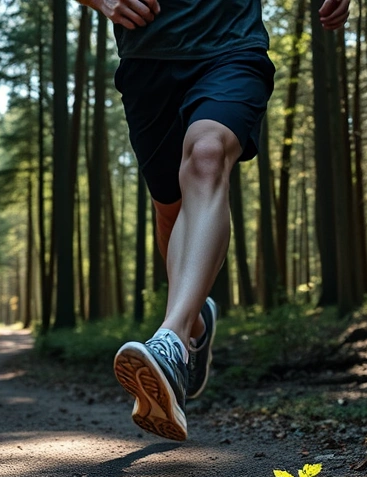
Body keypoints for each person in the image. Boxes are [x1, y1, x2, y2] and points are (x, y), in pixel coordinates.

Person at [77, 0, 351, 441]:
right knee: (170, 212)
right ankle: (196, 323)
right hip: (148, 60)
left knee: (206, 156)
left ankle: (171, 340)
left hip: (232, 50)